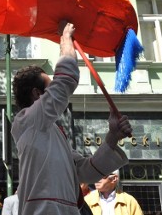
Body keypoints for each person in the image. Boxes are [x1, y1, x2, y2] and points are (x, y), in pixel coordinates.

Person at [11, 22, 132, 215]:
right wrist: (65, 38)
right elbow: (65, 80)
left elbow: (87, 171)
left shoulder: (52, 131)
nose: (55, 92)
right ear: (37, 95)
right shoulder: (27, 120)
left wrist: (113, 136)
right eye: (50, 88)